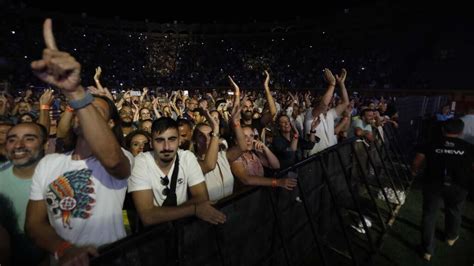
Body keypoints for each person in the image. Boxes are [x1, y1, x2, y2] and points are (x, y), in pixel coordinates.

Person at [25, 18, 133, 265]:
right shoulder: (49, 163)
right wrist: (64, 248)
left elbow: (113, 160)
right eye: (80, 108)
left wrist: (77, 93)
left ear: (111, 125)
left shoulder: (122, 158)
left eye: (96, 112)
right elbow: (34, 224)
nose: (83, 113)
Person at [128, 117, 227, 226]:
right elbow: (148, 216)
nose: (166, 147)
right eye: (160, 140)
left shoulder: (187, 158)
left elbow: (202, 198)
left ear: (179, 140)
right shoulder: (140, 163)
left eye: (172, 139)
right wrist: (194, 209)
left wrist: (161, 213)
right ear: (151, 143)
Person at [411, 118, 474, 261]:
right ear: (461, 131)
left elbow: (417, 161)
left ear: (443, 129)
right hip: (459, 186)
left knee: (429, 215)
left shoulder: (430, 144)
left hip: (433, 185)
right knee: (455, 210)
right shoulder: (469, 147)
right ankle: (451, 237)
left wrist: (414, 172)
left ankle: (427, 250)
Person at [0, 122, 49, 265]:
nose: (18, 145)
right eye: (12, 140)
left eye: (29, 139)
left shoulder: (61, 178)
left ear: (45, 145)